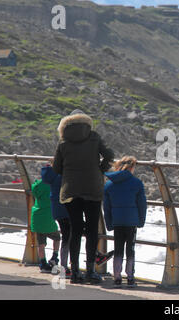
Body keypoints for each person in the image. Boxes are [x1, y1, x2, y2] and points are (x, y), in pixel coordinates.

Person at [53, 109, 114, 284]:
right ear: (86, 122)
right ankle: (90, 271)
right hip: (92, 188)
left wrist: (70, 173)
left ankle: (75, 272)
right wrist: (99, 169)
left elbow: (57, 168)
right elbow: (109, 155)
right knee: (92, 230)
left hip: (71, 190)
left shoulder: (63, 141)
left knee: (75, 230)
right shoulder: (93, 137)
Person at [103, 156, 147, 287]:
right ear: (132, 167)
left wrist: (109, 223)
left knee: (118, 249)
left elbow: (106, 207)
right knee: (130, 249)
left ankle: (117, 277)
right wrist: (141, 221)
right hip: (131, 220)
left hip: (117, 220)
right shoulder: (137, 183)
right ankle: (130, 277)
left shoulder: (109, 184)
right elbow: (142, 205)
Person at [30, 175, 61, 273]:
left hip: (37, 215)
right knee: (57, 237)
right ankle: (54, 257)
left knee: (41, 244)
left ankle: (43, 264)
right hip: (48, 215)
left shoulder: (38, 185)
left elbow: (33, 190)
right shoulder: (52, 184)